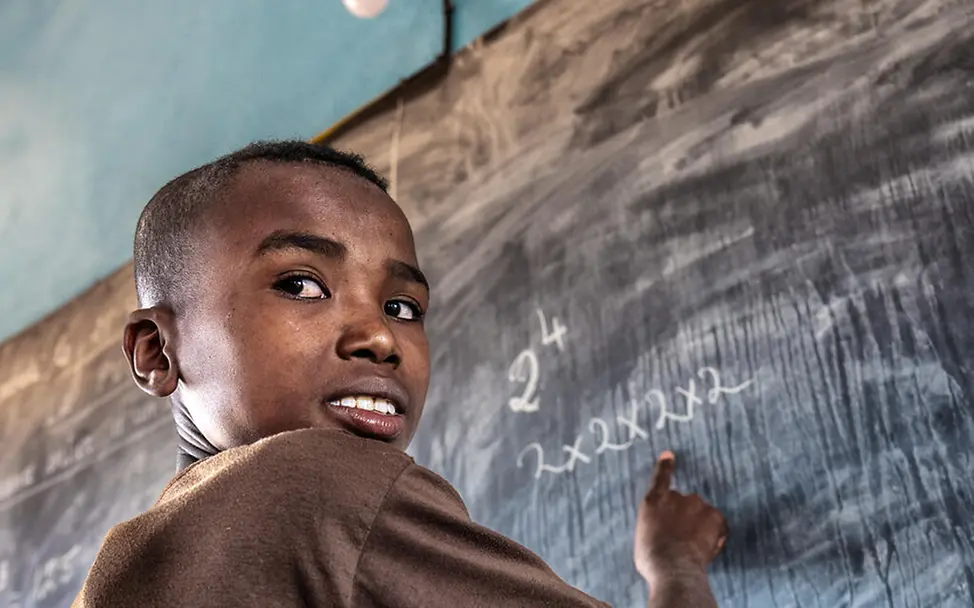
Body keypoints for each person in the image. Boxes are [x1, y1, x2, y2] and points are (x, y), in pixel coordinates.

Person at [73, 141, 728, 607]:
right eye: (301, 284)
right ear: (156, 352)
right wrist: (676, 569)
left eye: (402, 307)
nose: (380, 337)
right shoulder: (319, 486)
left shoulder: (116, 573)